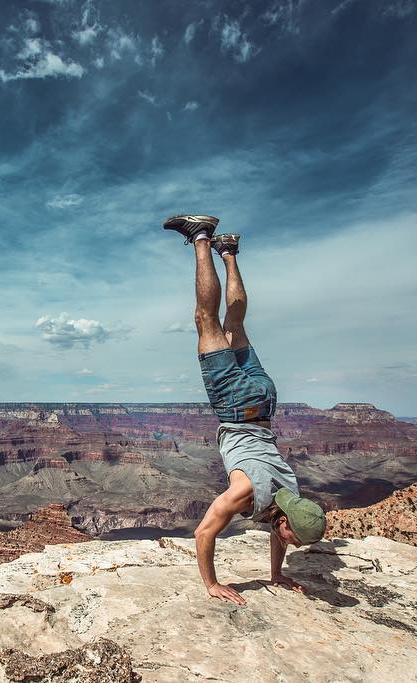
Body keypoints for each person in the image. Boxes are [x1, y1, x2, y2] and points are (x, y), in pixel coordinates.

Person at [163, 214, 326, 606]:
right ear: (285, 520)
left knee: (235, 323)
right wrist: (211, 584)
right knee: (207, 320)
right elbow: (204, 533)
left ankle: (229, 251)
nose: (290, 542)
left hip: (265, 400)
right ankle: (201, 236)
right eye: (291, 538)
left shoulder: (293, 496)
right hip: (235, 404)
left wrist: (276, 575)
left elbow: (277, 529)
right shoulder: (246, 492)